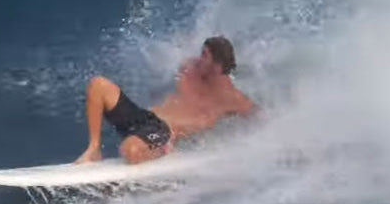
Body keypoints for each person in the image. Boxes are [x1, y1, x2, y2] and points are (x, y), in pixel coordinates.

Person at [75, 36, 257, 164]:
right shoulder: (190, 69)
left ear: (217, 65)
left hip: (164, 133)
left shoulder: (233, 98)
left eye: (204, 55)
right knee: (98, 85)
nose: (198, 58)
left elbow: (260, 118)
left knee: (130, 151)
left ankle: (162, 151)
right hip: (145, 119)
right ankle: (94, 149)